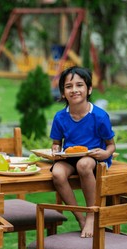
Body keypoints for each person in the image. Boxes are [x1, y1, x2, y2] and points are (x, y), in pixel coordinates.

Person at [50, 66, 116, 238]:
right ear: (63, 92)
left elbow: (111, 145)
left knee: (84, 164)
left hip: (93, 157)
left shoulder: (99, 116)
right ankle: (79, 217)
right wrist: (55, 150)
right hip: (70, 157)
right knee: (57, 173)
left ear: (89, 89)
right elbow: (56, 143)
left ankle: (91, 215)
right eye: (69, 86)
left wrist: (105, 154)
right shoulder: (60, 117)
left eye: (79, 85)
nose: (74, 90)